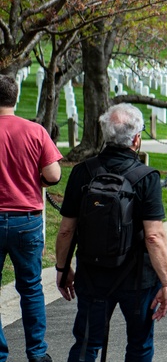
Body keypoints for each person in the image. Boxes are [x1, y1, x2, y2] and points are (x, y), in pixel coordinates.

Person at [56, 103, 167, 362]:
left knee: (86, 344)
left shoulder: (82, 172)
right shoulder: (147, 177)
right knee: (139, 346)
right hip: (137, 279)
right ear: (136, 138)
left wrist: (62, 269)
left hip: (93, 273)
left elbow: (66, 230)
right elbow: (154, 236)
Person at [0, 74, 62, 362]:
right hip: (27, 217)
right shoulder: (35, 131)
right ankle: (37, 353)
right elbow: (53, 175)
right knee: (30, 287)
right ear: (15, 97)